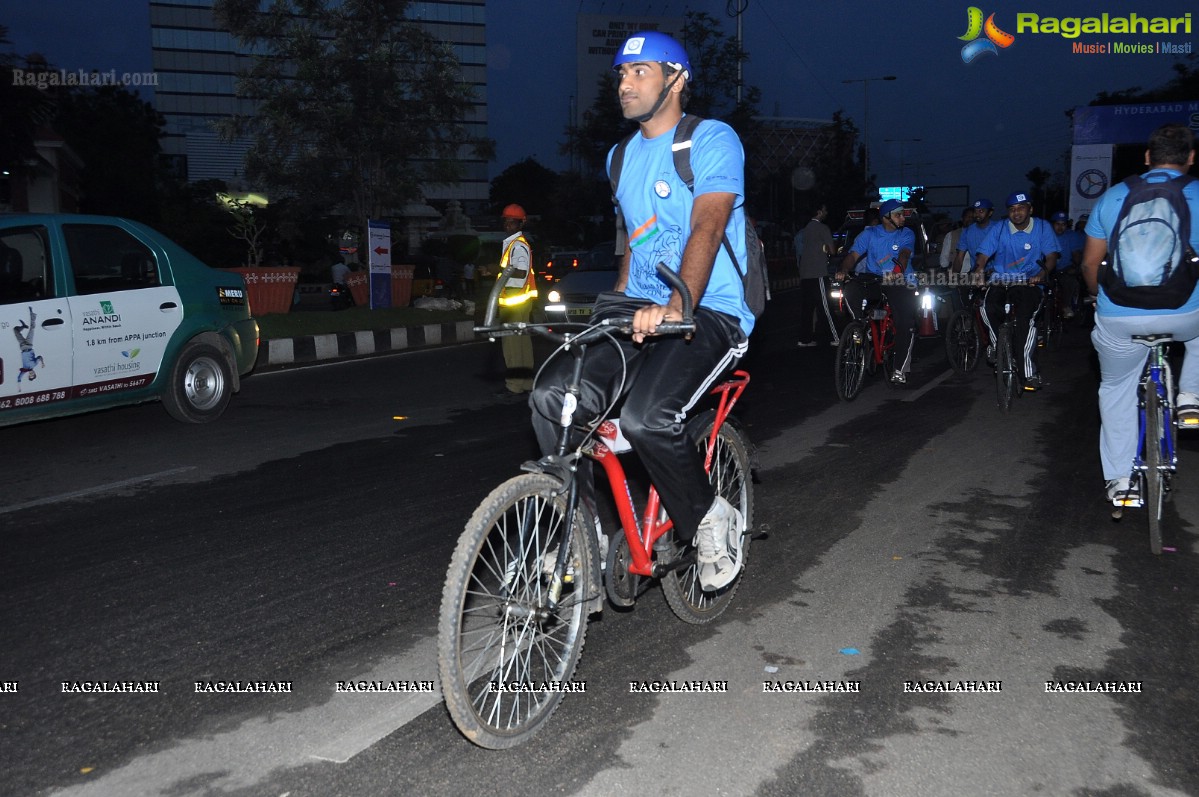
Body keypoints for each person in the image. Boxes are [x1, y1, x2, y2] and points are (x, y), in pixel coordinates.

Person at [529, 31, 752, 591]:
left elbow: (708, 224)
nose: (624, 84)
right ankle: (575, 537)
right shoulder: (620, 156)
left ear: (676, 79)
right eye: (620, 75)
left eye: (639, 72)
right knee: (553, 396)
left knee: (647, 418)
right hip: (638, 310)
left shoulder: (712, 140)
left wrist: (679, 303)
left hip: (712, 311)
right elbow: (633, 239)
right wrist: (618, 307)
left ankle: (710, 517)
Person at [1082, 122, 1199, 506]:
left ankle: (1120, 482)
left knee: (1115, 389)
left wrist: (1097, 297)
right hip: (1184, 312)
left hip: (1120, 314)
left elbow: (1090, 264)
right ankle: (1191, 396)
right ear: (1191, 158)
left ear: (1147, 157)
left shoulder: (1113, 197)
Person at [974, 191, 1060, 391]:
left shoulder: (1042, 227)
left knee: (1024, 321)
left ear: (1030, 209)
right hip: (1001, 280)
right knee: (987, 307)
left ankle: (1029, 373)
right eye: (1012, 209)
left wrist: (1042, 273)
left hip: (1029, 283)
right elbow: (984, 255)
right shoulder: (1000, 228)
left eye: (1021, 208)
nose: (1017, 213)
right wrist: (979, 270)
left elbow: (1052, 256)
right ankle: (997, 345)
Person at [834, 198, 918, 384]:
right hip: (874, 278)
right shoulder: (869, 234)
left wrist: (897, 272)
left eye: (902, 214)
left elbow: (904, 254)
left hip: (899, 279)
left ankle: (899, 369)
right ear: (886, 217)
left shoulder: (906, 233)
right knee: (851, 288)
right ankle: (859, 327)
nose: (902, 218)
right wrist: (843, 270)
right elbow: (853, 255)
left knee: (905, 322)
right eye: (898, 215)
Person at [496, 203, 537, 396]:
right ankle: (526, 383)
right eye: (506, 221)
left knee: (512, 343)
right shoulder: (515, 244)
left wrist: (496, 271)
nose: (508, 225)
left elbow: (520, 272)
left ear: (520, 224)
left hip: (514, 300)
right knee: (522, 342)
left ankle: (514, 385)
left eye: (512, 222)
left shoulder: (518, 245)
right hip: (519, 301)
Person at [796, 203, 834, 346]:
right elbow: (832, 250)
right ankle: (835, 337)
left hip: (805, 274)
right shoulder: (823, 228)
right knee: (826, 306)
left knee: (807, 308)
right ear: (819, 212)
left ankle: (804, 339)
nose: (826, 212)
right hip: (818, 273)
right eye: (824, 210)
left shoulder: (805, 230)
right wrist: (826, 248)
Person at [1050, 211, 1084, 318]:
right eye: (1057, 224)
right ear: (1052, 224)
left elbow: (1076, 255)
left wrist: (1076, 266)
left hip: (1064, 268)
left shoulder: (1072, 236)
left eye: (1063, 224)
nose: (1060, 227)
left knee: (1070, 281)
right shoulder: (1046, 235)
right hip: (1047, 268)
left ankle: (1066, 306)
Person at [951, 198, 997, 276]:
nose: (977, 214)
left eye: (981, 211)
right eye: (975, 211)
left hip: (998, 275)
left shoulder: (998, 228)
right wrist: (954, 277)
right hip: (976, 274)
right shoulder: (967, 231)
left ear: (990, 213)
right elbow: (959, 257)